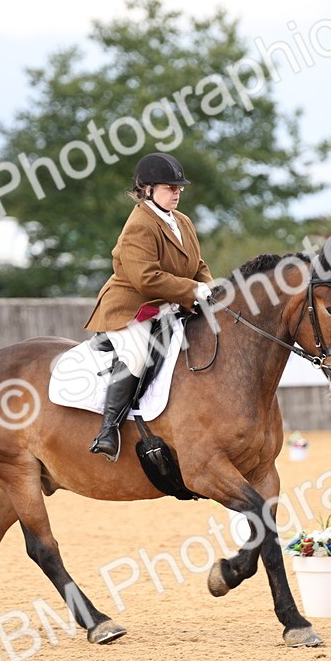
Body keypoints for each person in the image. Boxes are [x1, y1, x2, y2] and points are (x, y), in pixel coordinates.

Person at [83, 152, 214, 462]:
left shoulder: (181, 221)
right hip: (132, 308)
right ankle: (108, 430)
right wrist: (194, 289)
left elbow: (197, 263)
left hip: (169, 306)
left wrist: (212, 286)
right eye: (170, 187)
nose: (177, 192)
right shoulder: (140, 224)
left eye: (179, 187)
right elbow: (146, 278)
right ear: (147, 189)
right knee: (138, 352)